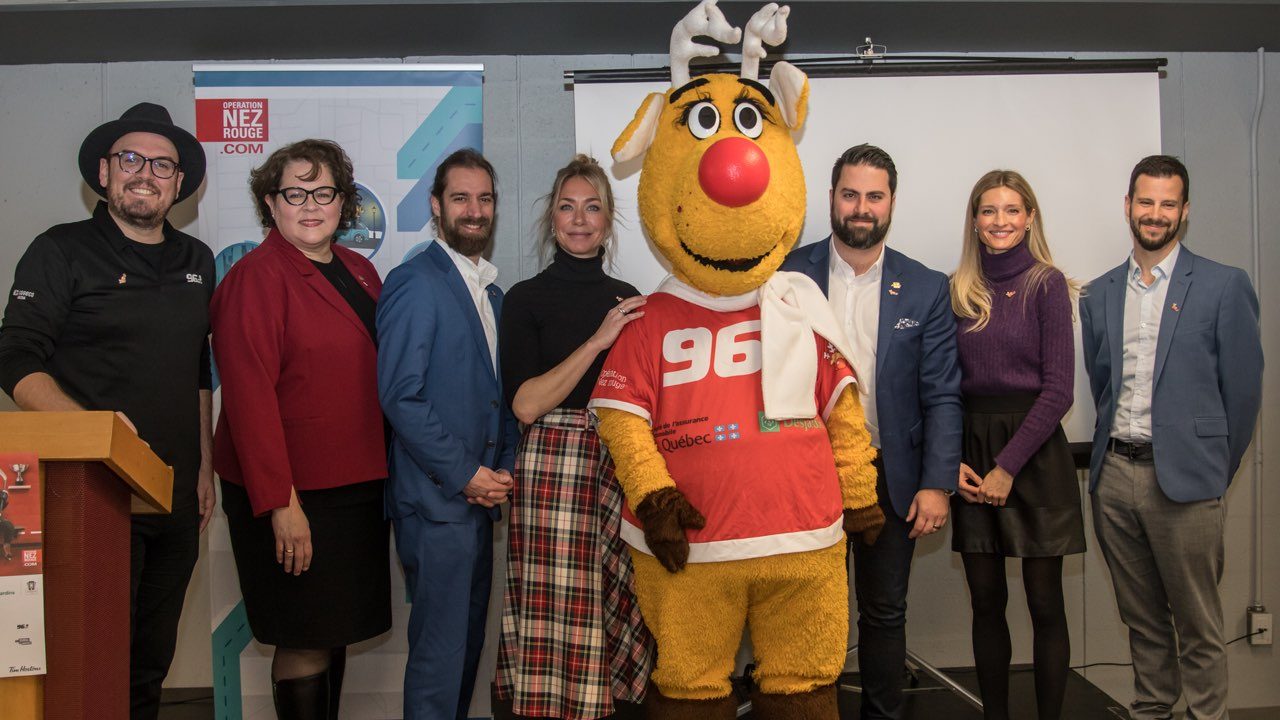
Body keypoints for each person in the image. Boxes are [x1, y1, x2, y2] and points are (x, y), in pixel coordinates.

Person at [0, 102, 213, 720]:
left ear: (178, 182)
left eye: (162, 164)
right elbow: (14, 358)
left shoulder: (198, 261)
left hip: (173, 495)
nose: (145, 173)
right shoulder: (60, 250)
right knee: (90, 665)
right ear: (104, 171)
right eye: (131, 159)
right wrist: (90, 430)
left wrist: (203, 468)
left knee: (150, 663)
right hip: (90, 493)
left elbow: (198, 369)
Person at [780, 143, 962, 720]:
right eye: (850, 194)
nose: (862, 207)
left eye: (874, 196)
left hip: (890, 476)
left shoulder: (926, 286)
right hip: (807, 473)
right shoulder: (786, 275)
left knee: (884, 613)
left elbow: (942, 394)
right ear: (832, 198)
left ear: (891, 203)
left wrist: (936, 483)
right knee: (808, 615)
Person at [210, 139, 391, 719]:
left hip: (354, 487)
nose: (311, 206)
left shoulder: (361, 271)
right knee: (303, 632)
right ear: (271, 202)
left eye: (324, 192)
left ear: (343, 202)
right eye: (295, 193)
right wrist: (280, 503)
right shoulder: (254, 278)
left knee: (333, 629)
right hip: (291, 493)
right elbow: (248, 401)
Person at [1080, 155, 1262, 720]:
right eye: (1145, 201)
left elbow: (1243, 394)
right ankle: (1152, 709)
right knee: (1142, 621)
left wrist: (1210, 472)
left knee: (1199, 624)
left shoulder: (1223, 285)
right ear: (1128, 206)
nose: (1154, 214)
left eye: (1167, 204)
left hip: (1187, 483)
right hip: (1115, 481)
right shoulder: (1100, 293)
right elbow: (1102, 382)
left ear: (1184, 211)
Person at [492, 155, 653, 720]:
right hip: (550, 470)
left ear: (607, 221)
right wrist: (598, 340)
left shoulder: (628, 297)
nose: (579, 220)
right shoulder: (525, 298)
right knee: (553, 609)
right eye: (567, 207)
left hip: (616, 459)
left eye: (592, 208)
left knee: (619, 602)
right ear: (552, 219)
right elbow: (525, 404)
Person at [377, 148, 521, 720]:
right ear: (436, 206)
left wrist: (503, 469)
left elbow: (497, 395)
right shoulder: (415, 283)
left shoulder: (492, 293)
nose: (474, 210)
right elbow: (400, 396)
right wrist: (466, 476)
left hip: (479, 504)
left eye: (484, 199)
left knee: (464, 654)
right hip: (437, 505)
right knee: (439, 662)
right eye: (460, 198)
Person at [949, 170, 1083, 720]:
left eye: (1011, 210)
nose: (1000, 221)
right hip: (972, 453)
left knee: (1045, 603)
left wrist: (1007, 466)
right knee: (985, 603)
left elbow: (1059, 391)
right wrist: (950, 460)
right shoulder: (957, 288)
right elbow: (944, 387)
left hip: (1035, 456)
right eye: (988, 210)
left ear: (1029, 218)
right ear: (975, 221)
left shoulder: (1046, 284)